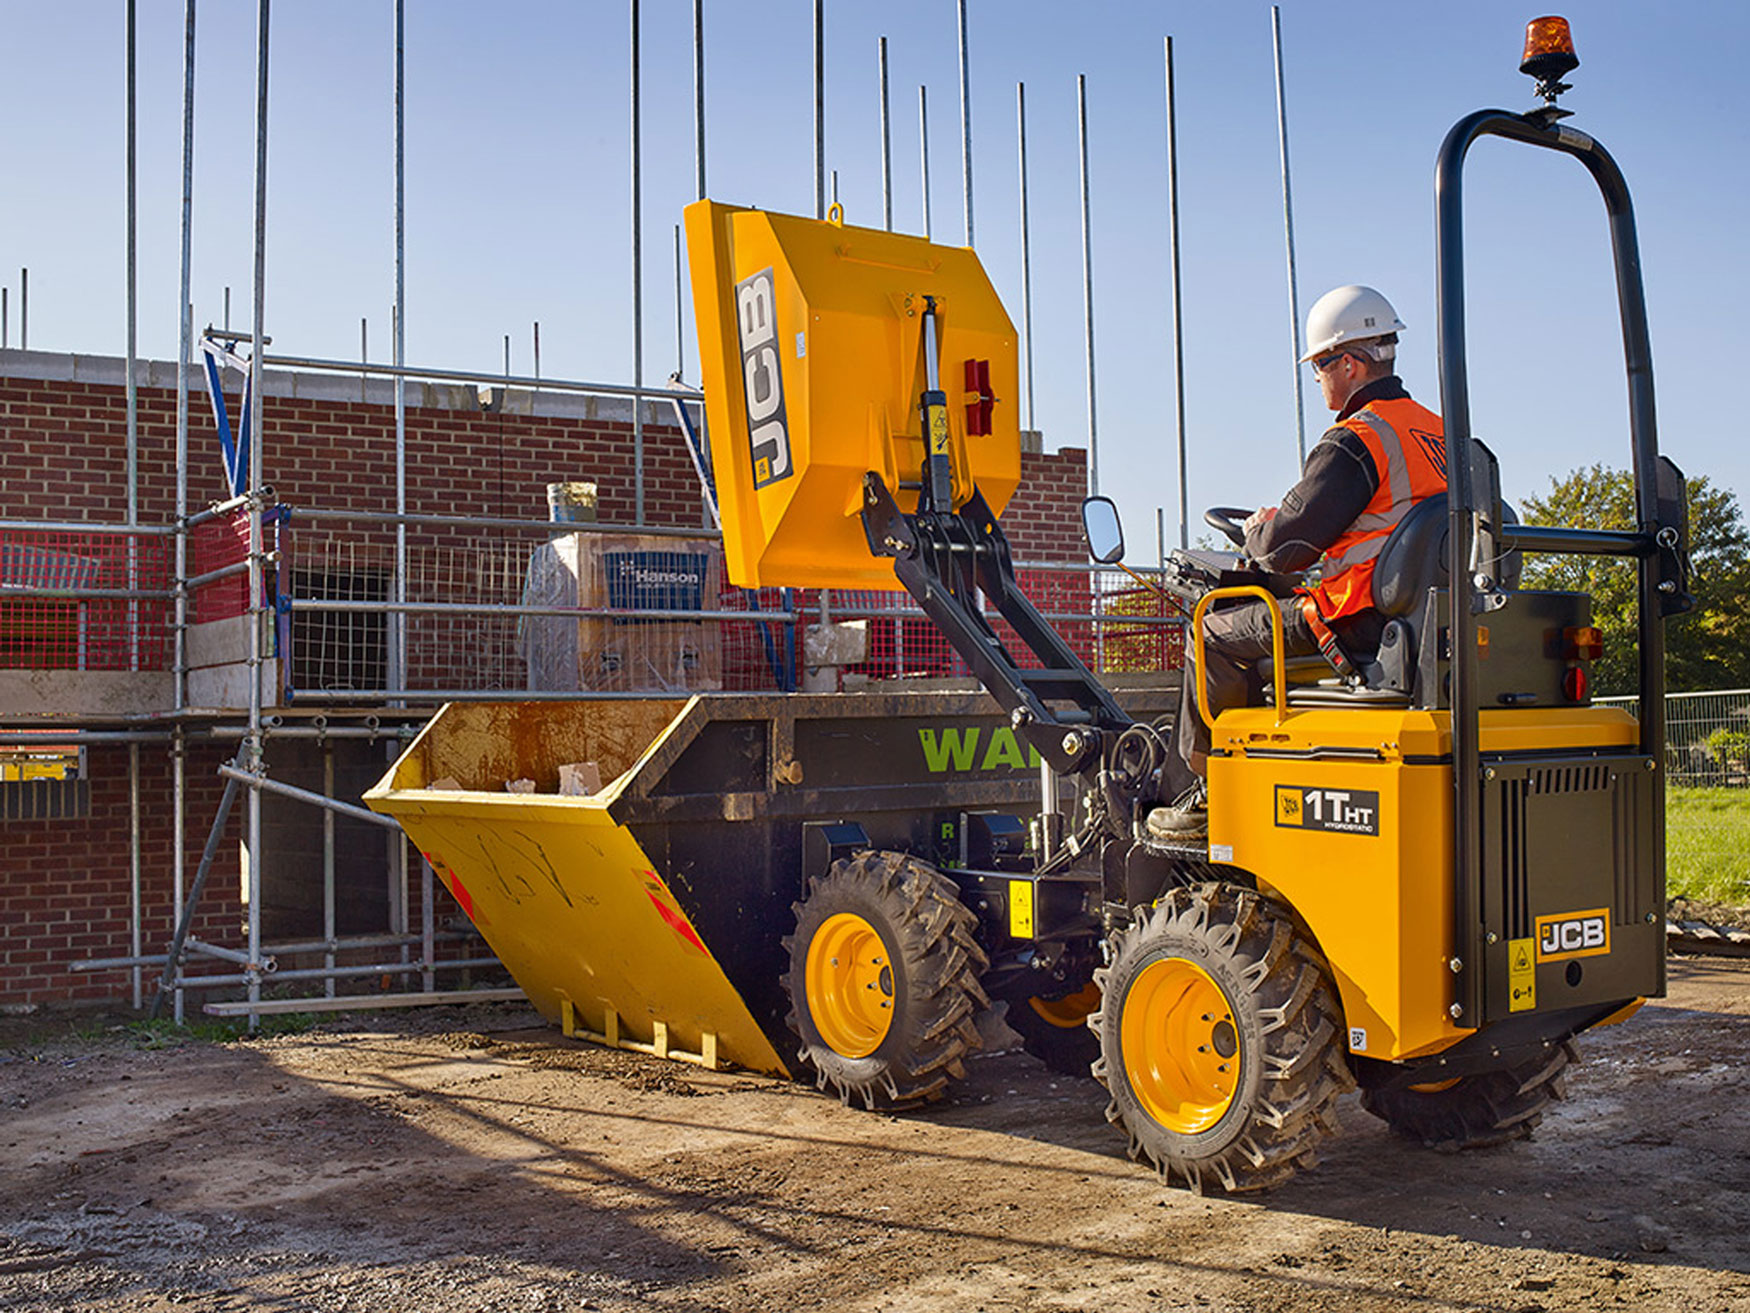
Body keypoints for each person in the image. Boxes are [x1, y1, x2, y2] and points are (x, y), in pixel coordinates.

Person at [1148, 285, 1448, 841]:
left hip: (1356, 618)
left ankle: (1208, 792)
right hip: (1423, 623)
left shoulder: (1357, 440)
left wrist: (1259, 526)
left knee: (1210, 629)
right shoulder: (1439, 433)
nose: (1317, 379)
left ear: (1351, 363)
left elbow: (1282, 548)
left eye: (1320, 367)